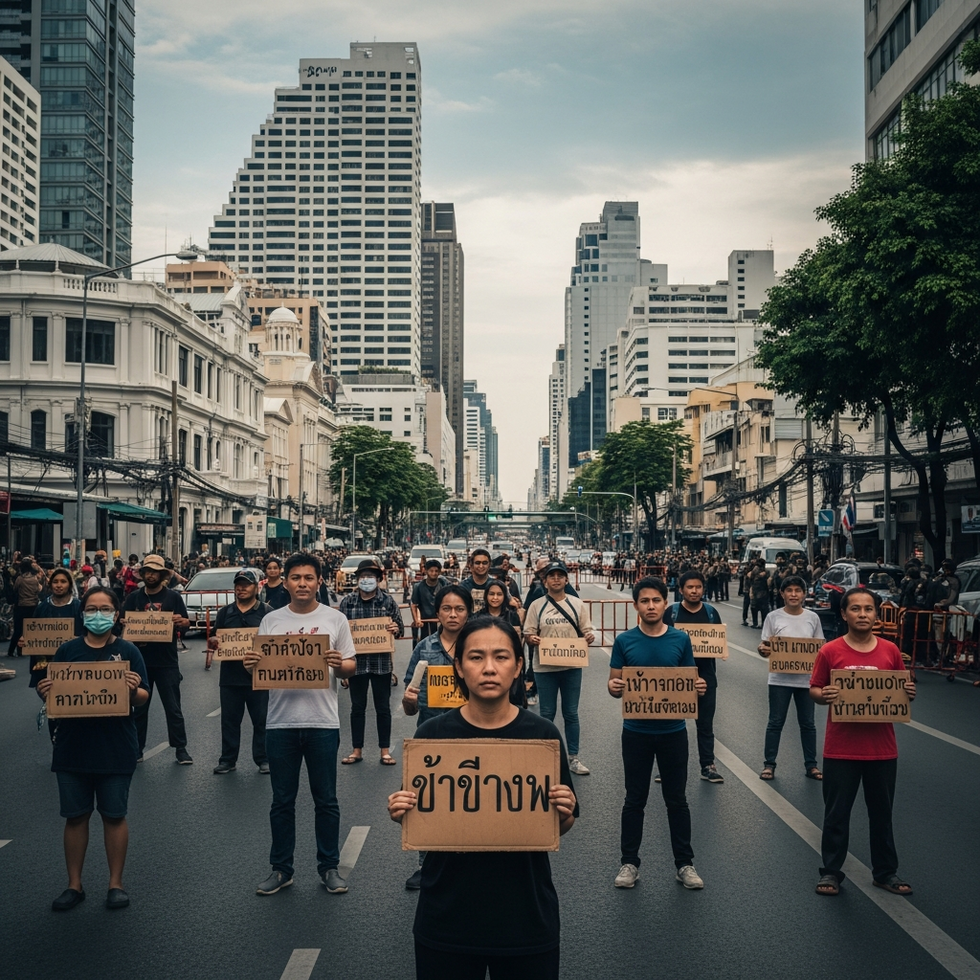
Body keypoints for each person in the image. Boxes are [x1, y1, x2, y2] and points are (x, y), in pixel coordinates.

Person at [387, 617, 578, 979]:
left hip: (526, 921)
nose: (489, 668)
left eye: (501, 657)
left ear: (519, 666)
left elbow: (559, 825)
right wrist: (402, 810)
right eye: (476, 657)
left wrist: (564, 810)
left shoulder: (542, 735)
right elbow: (423, 812)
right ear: (458, 666)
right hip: (446, 920)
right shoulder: (432, 735)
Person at [244, 553, 357, 896]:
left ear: (319, 581)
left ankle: (329, 867)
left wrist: (340, 664)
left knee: (326, 800)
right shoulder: (272, 621)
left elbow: (351, 665)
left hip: (323, 722)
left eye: (309, 578)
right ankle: (281, 869)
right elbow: (259, 668)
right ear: (286, 582)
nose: (302, 584)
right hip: (280, 724)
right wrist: (251, 663)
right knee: (282, 801)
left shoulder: (335, 620)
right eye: (296, 578)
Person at [35, 587, 149, 911]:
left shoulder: (128, 651)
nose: (97, 615)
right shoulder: (67, 651)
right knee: (75, 817)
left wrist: (133, 689)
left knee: (114, 816)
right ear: (82, 614)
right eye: (91, 608)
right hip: (73, 748)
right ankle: (74, 885)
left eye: (104, 609)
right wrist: (45, 691)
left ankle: (116, 884)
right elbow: (53, 696)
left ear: (116, 615)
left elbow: (144, 696)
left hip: (115, 748)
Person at [810, 587, 916, 897]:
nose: (862, 614)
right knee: (837, 815)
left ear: (876, 614)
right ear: (844, 614)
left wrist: (908, 694)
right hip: (840, 748)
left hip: (882, 750)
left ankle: (885, 872)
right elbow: (815, 690)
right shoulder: (830, 651)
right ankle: (830, 872)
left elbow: (901, 690)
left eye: (868, 609)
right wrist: (824, 695)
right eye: (855, 609)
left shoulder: (890, 651)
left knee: (881, 815)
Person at [608, 576, 708, 891]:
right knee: (634, 799)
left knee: (676, 800)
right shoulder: (625, 641)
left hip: (673, 732)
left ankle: (685, 864)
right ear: (636, 605)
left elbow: (689, 679)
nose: (651, 606)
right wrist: (614, 687)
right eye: (644, 601)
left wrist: (698, 688)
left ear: (666, 604)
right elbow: (613, 684)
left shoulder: (680, 640)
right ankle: (629, 863)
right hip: (635, 732)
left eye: (656, 600)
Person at [401, 584, 473, 890]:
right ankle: (426, 864)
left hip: (473, 736)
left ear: (469, 613)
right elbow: (408, 705)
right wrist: (409, 699)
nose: (453, 615)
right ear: (437, 612)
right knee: (428, 800)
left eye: (459, 609)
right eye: (447, 609)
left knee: (471, 799)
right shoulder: (424, 649)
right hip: (430, 735)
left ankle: (472, 862)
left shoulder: (476, 647)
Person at [119, 554, 192, 765]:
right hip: (139, 662)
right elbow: (122, 624)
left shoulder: (173, 598)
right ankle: (136, 749)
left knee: (173, 708)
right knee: (139, 709)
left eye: (154, 571)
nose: (150, 575)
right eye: (147, 571)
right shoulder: (133, 598)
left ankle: (181, 749)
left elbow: (186, 624)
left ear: (162, 574)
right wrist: (124, 622)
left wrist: (181, 622)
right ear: (142, 574)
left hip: (167, 661)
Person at [524, 561, 595, 776]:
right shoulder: (537, 605)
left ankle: (573, 757)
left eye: (560, 575)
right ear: (544, 581)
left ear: (566, 580)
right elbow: (528, 633)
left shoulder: (577, 604)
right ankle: (545, 755)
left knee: (571, 713)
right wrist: (531, 638)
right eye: (551, 576)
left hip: (571, 667)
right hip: (544, 668)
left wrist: (590, 636)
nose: (556, 579)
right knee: (547, 713)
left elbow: (587, 631)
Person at [757, 575, 824, 781]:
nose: (793, 594)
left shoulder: (813, 618)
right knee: (775, 722)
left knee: (808, 724)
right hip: (779, 680)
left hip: (806, 681)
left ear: (804, 594)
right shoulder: (773, 617)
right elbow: (765, 646)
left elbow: (820, 647)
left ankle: (811, 765)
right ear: (782, 594)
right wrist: (763, 650)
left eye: (798, 590)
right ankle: (769, 765)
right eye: (789, 591)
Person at [338, 558, 404, 765]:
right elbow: (339, 636)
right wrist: (342, 668)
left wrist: (395, 629)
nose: (367, 580)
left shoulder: (387, 602)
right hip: (355, 665)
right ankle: (356, 750)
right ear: (357, 579)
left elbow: (400, 629)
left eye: (371, 577)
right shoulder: (347, 602)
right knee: (357, 708)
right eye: (363, 576)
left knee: (382, 707)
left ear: (378, 579)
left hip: (381, 664)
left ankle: (384, 751)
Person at [207, 568, 271, 775]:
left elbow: (275, 643)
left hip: (259, 678)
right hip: (230, 678)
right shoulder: (225, 613)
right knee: (229, 721)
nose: (241, 588)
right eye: (238, 584)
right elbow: (216, 638)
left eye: (246, 584)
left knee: (261, 721)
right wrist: (214, 642)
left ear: (256, 587)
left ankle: (263, 759)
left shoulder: (267, 612)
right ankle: (228, 759)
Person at [663, 570, 724, 783]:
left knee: (705, 725)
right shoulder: (671, 613)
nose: (694, 591)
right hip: (675, 678)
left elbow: (719, 641)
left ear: (703, 589)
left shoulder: (711, 613)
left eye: (698, 587)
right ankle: (667, 767)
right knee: (671, 725)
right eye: (690, 587)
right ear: (681, 590)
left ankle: (707, 765)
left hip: (706, 677)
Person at [19, 567, 83, 690]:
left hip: (72, 663)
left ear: (69, 584)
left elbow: (87, 633)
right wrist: (25, 639)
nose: (59, 585)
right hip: (45, 666)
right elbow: (32, 632)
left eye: (63, 582)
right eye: (55, 582)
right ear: (50, 584)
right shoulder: (41, 608)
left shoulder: (79, 607)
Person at [7, 557, 45, 657]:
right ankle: (22, 650)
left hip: (21, 606)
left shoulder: (20, 579)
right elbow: (38, 590)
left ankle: (11, 651)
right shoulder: (34, 579)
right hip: (32, 606)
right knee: (28, 629)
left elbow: (15, 589)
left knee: (18, 629)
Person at [410, 559, 449, 641]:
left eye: (436, 571)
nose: (434, 573)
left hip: (441, 620)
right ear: (426, 571)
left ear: (439, 572)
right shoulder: (418, 587)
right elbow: (414, 605)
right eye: (431, 571)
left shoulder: (444, 584)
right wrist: (416, 620)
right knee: (423, 644)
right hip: (424, 621)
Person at [459, 548, 493, 612]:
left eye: (484, 563)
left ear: (489, 565)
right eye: (477, 563)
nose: (481, 566)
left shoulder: (496, 586)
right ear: (471, 565)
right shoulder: (463, 587)